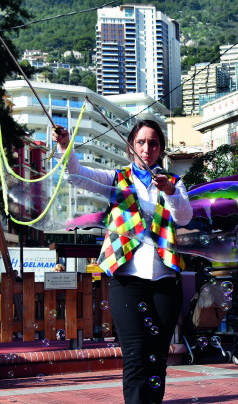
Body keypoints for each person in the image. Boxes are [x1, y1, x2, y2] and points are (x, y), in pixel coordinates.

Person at [52, 120, 192, 404]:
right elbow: (76, 175)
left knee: (157, 358)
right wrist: (65, 147)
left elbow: (185, 217)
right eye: (141, 142)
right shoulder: (116, 179)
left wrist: (170, 192)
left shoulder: (174, 183)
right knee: (136, 355)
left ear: (162, 148)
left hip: (165, 281)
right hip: (126, 280)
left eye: (153, 143)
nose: (147, 148)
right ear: (131, 147)